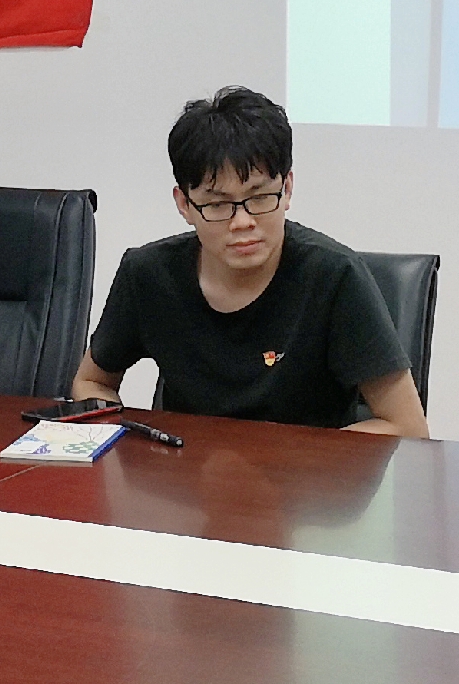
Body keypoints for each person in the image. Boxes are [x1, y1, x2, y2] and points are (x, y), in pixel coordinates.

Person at [69, 85, 428, 438]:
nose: (242, 222)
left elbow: (406, 427)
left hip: (303, 475)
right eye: (217, 204)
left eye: (259, 197)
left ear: (287, 189)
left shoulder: (335, 277)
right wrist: (123, 442)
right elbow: (92, 382)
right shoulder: (148, 274)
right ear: (184, 205)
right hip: (185, 472)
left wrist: (294, 461)